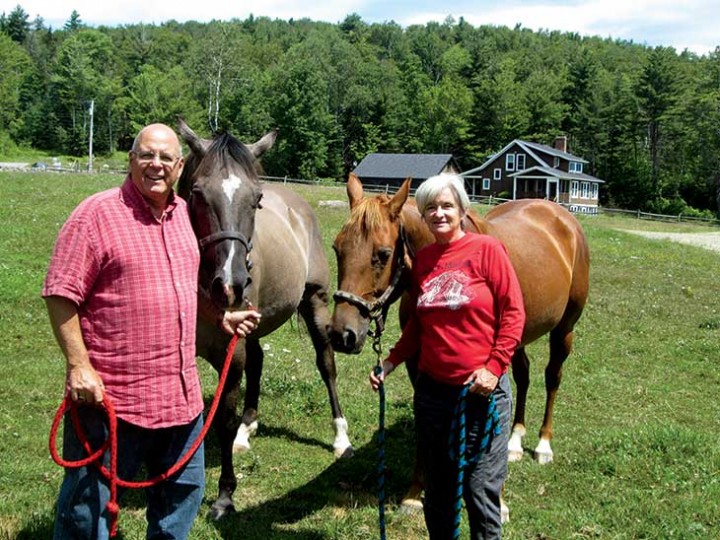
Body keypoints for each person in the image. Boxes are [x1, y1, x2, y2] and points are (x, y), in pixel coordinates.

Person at [43, 123, 261, 540]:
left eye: (165, 157)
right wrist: (78, 365)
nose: (156, 165)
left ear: (181, 167)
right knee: (88, 513)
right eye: (147, 155)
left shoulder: (184, 217)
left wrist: (221, 318)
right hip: (112, 400)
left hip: (181, 400)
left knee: (181, 500)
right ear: (131, 161)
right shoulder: (96, 215)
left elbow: (183, 283)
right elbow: (60, 294)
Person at [369, 173, 525, 539]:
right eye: (431, 208)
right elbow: (419, 324)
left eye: (446, 206)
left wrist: (494, 368)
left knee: (478, 489)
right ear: (422, 215)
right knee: (438, 493)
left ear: (461, 210)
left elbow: (514, 313)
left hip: (481, 394)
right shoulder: (423, 261)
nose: (439, 214)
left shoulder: (487, 251)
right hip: (433, 395)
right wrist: (390, 362)